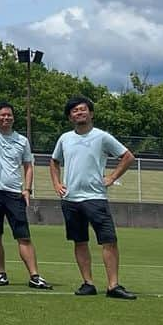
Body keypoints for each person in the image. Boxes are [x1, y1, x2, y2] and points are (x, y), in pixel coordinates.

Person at [0, 74, 52, 289]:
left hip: (14, 193)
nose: (6, 118)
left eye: (10, 115)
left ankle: (34, 275)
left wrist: (27, 189)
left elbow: (28, 165)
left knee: (23, 236)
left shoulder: (22, 140)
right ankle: (2, 273)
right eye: (2, 115)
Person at [50, 95, 137, 299]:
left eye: (83, 109)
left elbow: (128, 156)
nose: (79, 112)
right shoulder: (65, 138)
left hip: (95, 197)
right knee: (79, 241)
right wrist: (56, 184)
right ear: (70, 117)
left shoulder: (102, 137)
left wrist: (112, 177)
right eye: (75, 111)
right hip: (71, 199)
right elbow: (54, 161)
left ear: (91, 113)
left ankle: (113, 285)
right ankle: (88, 283)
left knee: (109, 240)